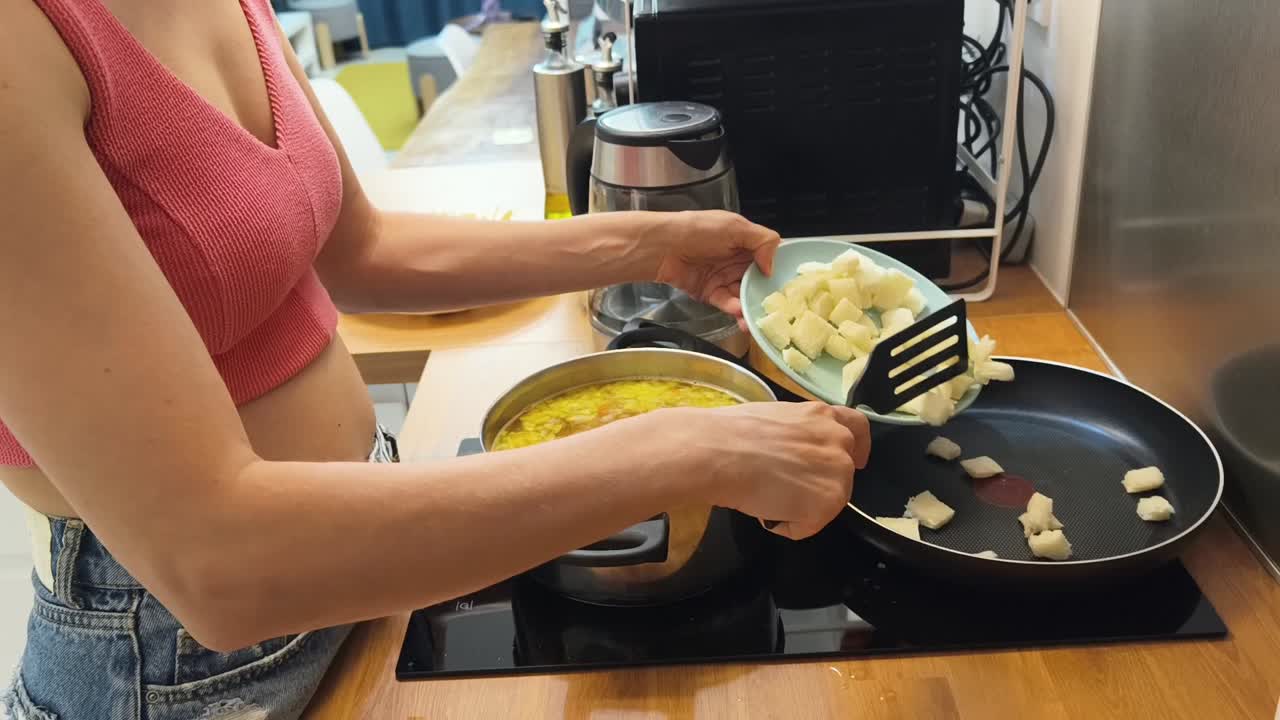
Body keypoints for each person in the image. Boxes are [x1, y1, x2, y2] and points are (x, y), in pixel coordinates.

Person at [0, 1, 871, 718]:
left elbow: (363, 253)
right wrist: (687, 448)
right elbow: (214, 563)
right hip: (176, 658)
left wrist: (648, 243)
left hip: (368, 545)